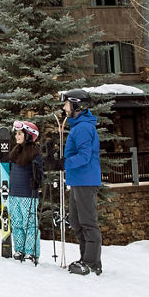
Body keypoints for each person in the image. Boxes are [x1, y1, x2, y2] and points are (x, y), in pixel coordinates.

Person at [47, 88, 103, 276]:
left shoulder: (84, 127)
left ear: (76, 106)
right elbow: (75, 151)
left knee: (88, 222)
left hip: (86, 180)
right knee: (76, 222)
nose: (64, 108)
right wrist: (59, 157)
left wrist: (64, 163)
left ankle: (92, 263)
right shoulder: (78, 127)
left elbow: (85, 156)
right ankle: (85, 258)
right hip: (78, 180)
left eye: (67, 104)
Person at [8, 120, 44, 264]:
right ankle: (19, 249)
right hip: (14, 192)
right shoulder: (16, 151)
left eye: (19, 134)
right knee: (16, 222)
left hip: (28, 193)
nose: (16, 136)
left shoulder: (34, 152)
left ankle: (31, 252)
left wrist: (37, 180)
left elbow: (39, 171)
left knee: (29, 224)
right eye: (16, 133)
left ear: (28, 135)